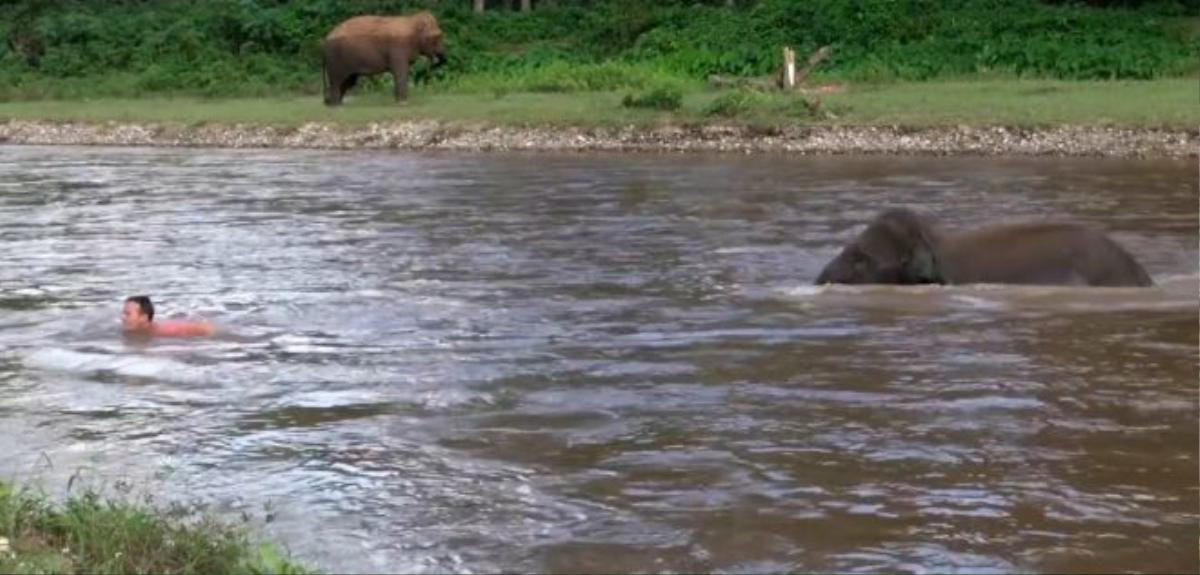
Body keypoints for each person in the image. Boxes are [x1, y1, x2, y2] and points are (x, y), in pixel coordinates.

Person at [121, 295, 215, 337]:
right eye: (123, 313)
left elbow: (208, 329)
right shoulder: (128, 331)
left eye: (127, 314)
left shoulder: (166, 330)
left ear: (144, 318)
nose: (122, 317)